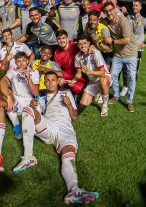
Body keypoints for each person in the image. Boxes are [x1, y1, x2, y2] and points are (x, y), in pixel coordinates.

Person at [23, 72, 99, 204]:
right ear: (44, 82)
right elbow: (34, 117)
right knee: (27, 110)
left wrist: (69, 104)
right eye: (47, 80)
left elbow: (74, 117)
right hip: (49, 127)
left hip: (66, 130)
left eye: (53, 80)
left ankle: (73, 190)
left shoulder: (66, 94)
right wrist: (33, 106)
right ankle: (28, 157)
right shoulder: (41, 99)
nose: (50, 83)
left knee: (69, 156)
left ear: (57, 82)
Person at [102, 2, 138, 112]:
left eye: (110, 10)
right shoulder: (107, 21)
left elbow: (126, 40)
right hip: (118, 54)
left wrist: (112, 41)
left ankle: (129, 101)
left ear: (115, 9)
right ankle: (116, 95)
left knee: (132, 77)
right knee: (113, 75)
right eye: (106, 11)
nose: (109, 13)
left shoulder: (123, 21)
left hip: (130, 54)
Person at [0, 52, 39, 140]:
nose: (21, 63)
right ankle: (16, 125)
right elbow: (3, 82)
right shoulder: (13, 71)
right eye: (18, 61)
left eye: (23, 60)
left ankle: (30, 124)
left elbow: (36, 93)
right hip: (16, 98)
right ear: (15, 62)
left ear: (28, 61)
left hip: (29, 100)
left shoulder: (34, 72)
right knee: (6, 95)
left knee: (34, 127)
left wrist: (29, 78)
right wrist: (9, 97)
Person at [73, 36, 112, 116]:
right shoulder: (77, 56)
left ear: (89, 43)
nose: (83, 46)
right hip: (92, 82)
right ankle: (97, 94)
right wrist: (72, 81)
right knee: (82, 105)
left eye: (84, 43)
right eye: (80, 44)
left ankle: (105, 105)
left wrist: (88, 71)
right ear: (77, 45)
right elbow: (78, 73)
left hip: (104, 77)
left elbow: (102, 73)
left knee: (102, 81)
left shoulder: (95, 52)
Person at [124, 0, 146, 87]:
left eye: (136, 6)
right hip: (127, 48)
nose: (134, 7)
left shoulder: (143, 20)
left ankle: (131, 88)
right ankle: (125, 87)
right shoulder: (128, 18)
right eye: (133, 5)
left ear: (140, 7)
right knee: (125, 69)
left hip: (137, 50)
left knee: (134, 70)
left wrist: (145, 43)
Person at [54, 30, 86, 95]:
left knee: (78, 88)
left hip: (81, 73)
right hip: (67, 74)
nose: (61, 41)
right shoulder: (56, 52)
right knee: (55, 81)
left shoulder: (75, 45)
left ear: (67, 38)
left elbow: (86, 47)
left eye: (63, 38)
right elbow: (57, 69)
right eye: (59, 39)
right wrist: (59, 78)